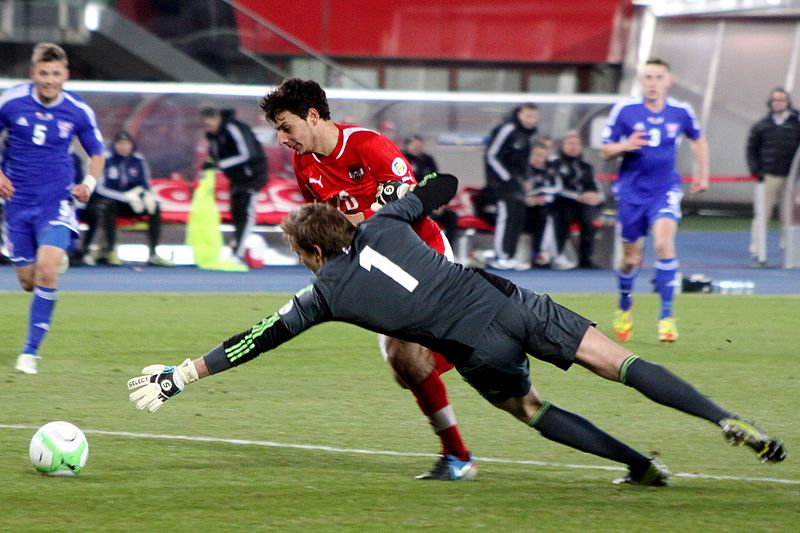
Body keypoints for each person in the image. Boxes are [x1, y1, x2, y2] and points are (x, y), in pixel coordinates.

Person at [127, 173, 786, 486]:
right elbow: (440, 187)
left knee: (531, 407)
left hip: (476, 347)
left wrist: (179, 375)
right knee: (617, 359)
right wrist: (414, 191)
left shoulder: (324, 291)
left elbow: (253, 340)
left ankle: (642, 465)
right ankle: (722, 417)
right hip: (507, 299)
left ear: (313, 254)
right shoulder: (384, 224)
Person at [258, 78, 475, 481]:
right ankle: (472, 349)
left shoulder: (368, 146)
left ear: (312, 116)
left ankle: (458, 456)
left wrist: (355, 221)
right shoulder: (304, 163)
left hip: (419, 254)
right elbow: (325, 227)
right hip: (374, 265)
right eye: (277, 131)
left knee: (410, 359)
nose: (283, 138)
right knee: (404, 368)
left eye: (286, 126)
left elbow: (412, 207)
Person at [0, 42, 105, 374]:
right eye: (43, 73)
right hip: (17, 203)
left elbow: (97, 154)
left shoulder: (77, 110)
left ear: (65, 75)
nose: (49, 80)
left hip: (56, 201)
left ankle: (29, 353)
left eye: (55, 74)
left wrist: (88, 185)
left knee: (46, 269)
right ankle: (51, 257)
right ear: (33, 73)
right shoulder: (10, 102)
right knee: (28, 280)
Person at [600, 58, 709, 343]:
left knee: (663, 243)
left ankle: (666, 316)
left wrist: (702, 174)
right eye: (648, 77)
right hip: (631, 193)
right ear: (641, 80)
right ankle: (625, 304)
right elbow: (604, 150)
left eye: (658, 77)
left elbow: (698, 140)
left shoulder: (680, 111)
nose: (653, 82)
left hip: (665, 189)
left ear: (668, 81)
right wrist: (625, 145)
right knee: (630, 259)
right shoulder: (625, 110)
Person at [79, 130, 174, 266]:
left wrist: (146, 196)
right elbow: (100, 188)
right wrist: (124, 197)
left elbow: (145, 184)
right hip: (111, 202)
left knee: (155, 207)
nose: (124, 147)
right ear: (115, 145)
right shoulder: (107, 160)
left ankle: (153, 253)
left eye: (126, 143)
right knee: (109, 207)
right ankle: (111, 250)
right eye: (120, 143)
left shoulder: (138, 161)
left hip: (133, 203)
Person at [199, 104, 268, 262]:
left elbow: (247, 154)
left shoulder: (233, 128)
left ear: (217, 119)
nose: (208, 129)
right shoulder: (214, 135)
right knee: (236, 212)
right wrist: (210, 164)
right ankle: (236, 247)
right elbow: (215, 155)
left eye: (209, 124)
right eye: (205, 126)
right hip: (236, 179)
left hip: (252, 177)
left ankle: (238, 253)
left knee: (245, 213)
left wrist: (219, 164)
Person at [746, 87, 800, 267]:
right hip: (768, 177)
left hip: (791, 179)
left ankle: (789, 251)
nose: (778, 103)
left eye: (782, 100)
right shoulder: (762, 125)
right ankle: (757, 252)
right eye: (775, 100)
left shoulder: (796, 124)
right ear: (770, 103)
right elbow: (751, 149)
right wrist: (756, 171)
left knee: (790, 217)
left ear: (788, 103)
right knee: (762, 215)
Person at [484, 103, 540, 270]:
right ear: (519, 114)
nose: (531, 120)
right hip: (502, 184)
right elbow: (491, 155)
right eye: (528, 116)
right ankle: (500, 256)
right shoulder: (507, 129)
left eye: (534, 116)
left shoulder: (529, 135)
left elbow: (524, 162)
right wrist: (507, 178)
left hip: (518, 184)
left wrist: (526, 178)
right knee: (506, 217)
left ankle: (510, 255)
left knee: (518, 217)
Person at [550, 131, 603, 270]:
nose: (573, 147)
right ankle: (557, 255)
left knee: (590, 218)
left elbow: (594, 185)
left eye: (577, 144)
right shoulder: (554, 163)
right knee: (562, 213)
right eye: (570, 144)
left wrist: (595, 197)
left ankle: (586, 259)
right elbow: (556, 188)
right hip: (562, 202)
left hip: (583, 204)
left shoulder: (585, 166)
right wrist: (578, 197)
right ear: (563, 145)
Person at [402, 134, 458, 245]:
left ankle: (446, 249)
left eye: (418, 145)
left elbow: (436, 182)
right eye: (413, 145)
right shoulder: (402, 159)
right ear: (407, 145)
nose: (416, 147)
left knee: (451, 216)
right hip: (410, 202)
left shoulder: (428, 160)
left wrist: (439, 203)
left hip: (429, 203)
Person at [521, 140, 559, 267]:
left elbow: (557, 188)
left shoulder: (549, 172)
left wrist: (540, 195)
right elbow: (519, 193)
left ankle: (545, 254)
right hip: (523, 212)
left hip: (542, 209)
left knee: (550, 213)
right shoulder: (523, 171)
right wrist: (531, 197)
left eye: (542, 156)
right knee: (544, 214)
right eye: (536, 155)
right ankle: (541, 253)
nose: (539, 159)